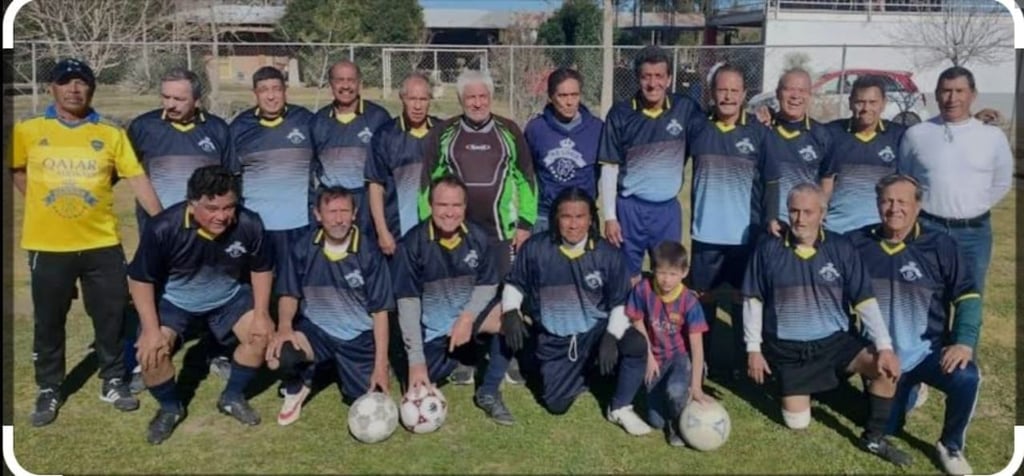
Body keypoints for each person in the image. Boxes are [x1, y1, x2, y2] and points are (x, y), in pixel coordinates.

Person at [11, 58, 162, 427]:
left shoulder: (111, 134)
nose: (74, 89)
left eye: (81, 83)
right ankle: (49, 387)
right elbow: (16, 168)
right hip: (48, 246)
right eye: (66, 82)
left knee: (110, 315)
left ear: (91, 89)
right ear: (53, 88)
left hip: (101, 244)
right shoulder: (29, 130)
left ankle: (112, 380)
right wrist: (37, 201)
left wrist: (162, 224)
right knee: (49, 320)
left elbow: (137, 178)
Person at [743, 183, 911, 467]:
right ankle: (819, 388)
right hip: (790, 352)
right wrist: (753, 350)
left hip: (835, 344)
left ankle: (874, 436)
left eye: (808, 212)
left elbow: (864, 300)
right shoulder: (768, 248)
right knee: (797, 423)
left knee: (885, 368)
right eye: (794, 211)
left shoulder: (841, 247)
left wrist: (884, 346)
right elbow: (753, 300)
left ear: (822, 213)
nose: (800, 219)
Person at [128, 165, 274, 444]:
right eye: (212, 208)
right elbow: (140, 280)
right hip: (175, 302)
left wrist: (262, 314)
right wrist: (149, 329)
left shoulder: (249, 223)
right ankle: (171, 408)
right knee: (152, 353)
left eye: (228, 207)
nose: (221, 216)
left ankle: (232, 397)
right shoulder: (163, 227)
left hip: (228, 298)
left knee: (261, 335)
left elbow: (262, 268)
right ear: (192, 203)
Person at [849, 174, 982, 475]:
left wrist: (963, 341)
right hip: (881, 357)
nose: (894, 208)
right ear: (877, 204)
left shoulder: (940, 245)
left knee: (967, 378)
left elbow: (968, 295)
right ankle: (907, 391)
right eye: (887, 201)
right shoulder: (857, 243)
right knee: (889, 425)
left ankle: (950, 446)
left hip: (927, 352)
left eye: (903, 202)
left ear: (918, 206)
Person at [419, 69, 537, 385]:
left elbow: (526, 179)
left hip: (501, 233)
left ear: (490, 97)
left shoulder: (509, 130)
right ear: (461, 100)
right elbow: (427, 183)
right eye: (470, 97)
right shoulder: (444, 133)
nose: (477, 102)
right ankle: (466, 359)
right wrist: (427, 226)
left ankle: (508, 358)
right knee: (463, 295)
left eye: (482, 96)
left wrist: (525, 223)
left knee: (506, 296)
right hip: (459, 235)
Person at [499, 187, 649, 435]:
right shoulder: (536, 248)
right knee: (556, 405)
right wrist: (511, 310)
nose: (573, 224)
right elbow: (516, 283)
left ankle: (620, 407)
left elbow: (621, 302)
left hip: (596, 331)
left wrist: (611, 337)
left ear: (591, 219)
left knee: (635, 344)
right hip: (556, 339)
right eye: (566, 216)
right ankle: (588, 372)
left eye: (580, 217)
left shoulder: (608, 255)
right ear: (555, 218)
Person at [125, 66, 237, 392]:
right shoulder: (144, 127)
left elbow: (230, 181)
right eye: (166, 96)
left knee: (214, 288)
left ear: (197, 100)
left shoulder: (217, 130)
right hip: (158, 232)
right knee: (152, 295)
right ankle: (146, 358)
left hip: (207, 234)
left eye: (179, 98)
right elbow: (130, 175)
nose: (170, 104)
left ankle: (218, 351)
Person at [267, 186, 394, 426]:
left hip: (357, 338)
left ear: (354, 213)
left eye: (344, 211)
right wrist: (284, 327)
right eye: (332, 212)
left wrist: (381, 363)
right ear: (318, 214)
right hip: (318, 331)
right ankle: (299, 382)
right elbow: (289, 293)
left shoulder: (369, 252)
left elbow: (380, 313)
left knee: (366, 398)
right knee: (279, 356)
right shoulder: (303, 247)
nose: (338, 219)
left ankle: (341, 368)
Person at [395, 175, 515, 424]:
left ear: (465, 207)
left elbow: (489, 283)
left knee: (511, 319)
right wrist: (416, 360)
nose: (449, 213)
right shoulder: (412, 244)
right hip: (433, 330)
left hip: (466, 320)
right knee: (418, 383)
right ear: (430, 205)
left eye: (456, 205)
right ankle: (461, 358)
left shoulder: (479, 237)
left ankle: (489, 391)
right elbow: (407, 303)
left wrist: (468, 317)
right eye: (442, 205)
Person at [897, 66, 1013, 298]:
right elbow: (906, 179)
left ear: (973, 94)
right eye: (945, 91)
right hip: (928, 229)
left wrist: (974, 206)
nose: (952, 98)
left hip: (974, 233)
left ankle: (963, 336)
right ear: (937, 94)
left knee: (970, 299)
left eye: (959, 91)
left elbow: (1001, 182)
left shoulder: (992, 137)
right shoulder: (917, 134)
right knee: (926, 297)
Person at [685, 63, 769, 378]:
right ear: (711, 93)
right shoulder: (698, 127)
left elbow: (770, 182)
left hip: (745, 234)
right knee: (702, 297)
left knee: (741, 297)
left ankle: (738, 361)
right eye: (722, 90)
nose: (728, 96)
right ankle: (700, 359)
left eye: (735, 91)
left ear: (745, 95)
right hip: (705, 232)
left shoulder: (759, 132)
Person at [598, 45, 705, 283]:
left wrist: (762, 116)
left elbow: (717, 125)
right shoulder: (620, 114)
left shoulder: (685, 108)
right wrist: (609, 216)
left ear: (669, 79)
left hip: (666, 211)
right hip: (629, 209)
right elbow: (609, 167)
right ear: (638, 78)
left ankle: (660, 320)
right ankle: (627, 319)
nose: (652, 83)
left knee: (667, 275)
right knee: (626, 276)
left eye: (659, 76)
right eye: (646, 76)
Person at [621, 241, 711, 446]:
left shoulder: (689, 301)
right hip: (655, 356)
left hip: (679, 356)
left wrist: (696, 387)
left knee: (676, 390)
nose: (666, 280)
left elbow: (697, 347)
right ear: (653, 269)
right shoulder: (643, 289)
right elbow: (636, 320)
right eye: (661, 272)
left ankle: (679, 424)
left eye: (672, 274)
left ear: (684, 272)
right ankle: (669, 409)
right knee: (656, 421)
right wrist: (649, 357)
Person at [230, 66, 316, 271]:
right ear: (255, 94)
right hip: (257, 225)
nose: (271, 96)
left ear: (285, 90)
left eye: (276, 89)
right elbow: (231, 176)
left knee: (295, 284)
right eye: (264, 90)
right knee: (259, 283)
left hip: (299, 224)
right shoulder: (239, 127)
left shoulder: (305, 120)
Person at [311, 60, 391, 236]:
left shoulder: (379, 117)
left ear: (359, 83)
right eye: (340, 80)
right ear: (330, 84)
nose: (346, 86)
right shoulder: (318, 121)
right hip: (332, 202)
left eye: (351, 80)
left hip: (366, 201)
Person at [820, 75, 907, 234]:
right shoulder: (830, 133)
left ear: (883, 104)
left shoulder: (899, 136)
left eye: (873, 102)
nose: (866, 108)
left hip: (880, 231)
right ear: (850, 103)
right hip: (838, 230)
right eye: (860, 102)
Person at [366, 72, 441, 254]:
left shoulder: (443, 132)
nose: (417, 106)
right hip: (399, 234)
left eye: (423, 99)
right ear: (402, 98)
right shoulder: (385, 135)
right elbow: (376, 186)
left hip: (438, 234)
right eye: (412, 99)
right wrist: (382, 232)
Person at [523, 67, 603, 233]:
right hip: (545, 217)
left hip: (582, 217)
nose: (569, 102)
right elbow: (525, 174)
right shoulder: (536, 129)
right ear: (551, 96)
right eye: (563, 95)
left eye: (574, 95)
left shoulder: (597, 129)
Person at [762, 68, 833, 237]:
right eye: (789, 89)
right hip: (766, 224)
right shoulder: (762, 129)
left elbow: (827, 180)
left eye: (801, 90)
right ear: (778, 93)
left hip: (803, 228)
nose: (795, 96)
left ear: (810, 95)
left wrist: (817, 215)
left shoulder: (821, 135)